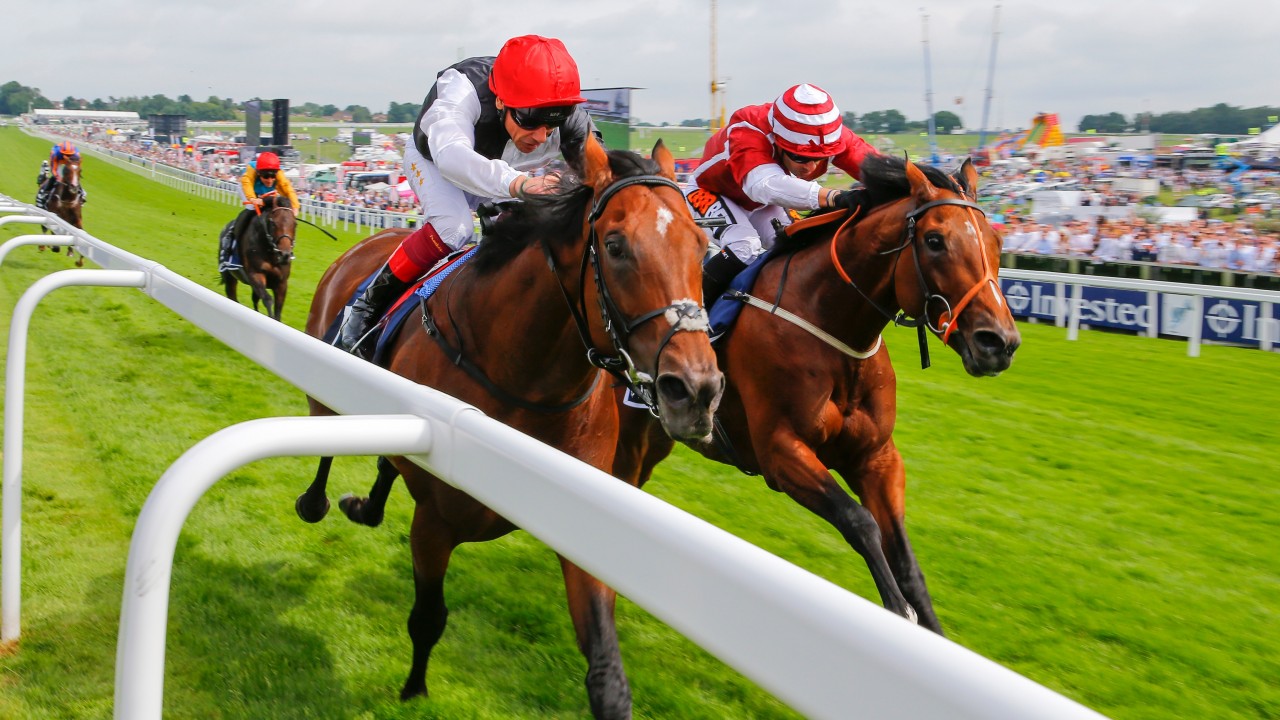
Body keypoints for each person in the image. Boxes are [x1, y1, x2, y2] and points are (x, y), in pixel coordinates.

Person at [334, 34, 598, 360]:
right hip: (435, 161)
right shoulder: (461, 87)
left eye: (553, 123)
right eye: (531, 120)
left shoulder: (566, 112)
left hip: (500, 172)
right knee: (454, 228)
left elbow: (601, 172)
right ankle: (366, 307)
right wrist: (520, 185)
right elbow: (451, 157)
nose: (542, 136)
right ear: (500, 101)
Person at [683, 84, 878, 303]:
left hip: (758, 204)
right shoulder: (748, 128)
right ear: (778, 140)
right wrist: (834, 197)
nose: (811, 168)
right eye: (801, 157)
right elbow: (762, 186)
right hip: (709, 192)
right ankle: (691, 310)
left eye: (820, 158)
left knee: (801, 245)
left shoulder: (828, 133)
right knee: (744, 246)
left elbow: (883, 169)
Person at [218, 151, 300, 271]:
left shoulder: (279, 174)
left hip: (268, 192)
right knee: (251, 209)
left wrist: (295, 207)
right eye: (266, 176)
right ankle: (229, 245)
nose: (270, 180)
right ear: (258, 173)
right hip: (248, 189)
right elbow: (247, 185)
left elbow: (288, 189)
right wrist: (253, 199)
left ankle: (284, 249)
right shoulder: (251, 171)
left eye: (273, 176)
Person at [36, 141, 85, 208]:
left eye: (69, 155)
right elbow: (54, 169)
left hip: (71, 162)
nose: (66, 156)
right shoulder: (55, 153)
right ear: (61, 152)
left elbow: (77, 170)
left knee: (73, 178)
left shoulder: (77, 155)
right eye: (65, 154)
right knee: (57, 178)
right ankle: (44, 191)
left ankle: (82, 193)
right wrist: (57, 177)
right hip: (58, 161)